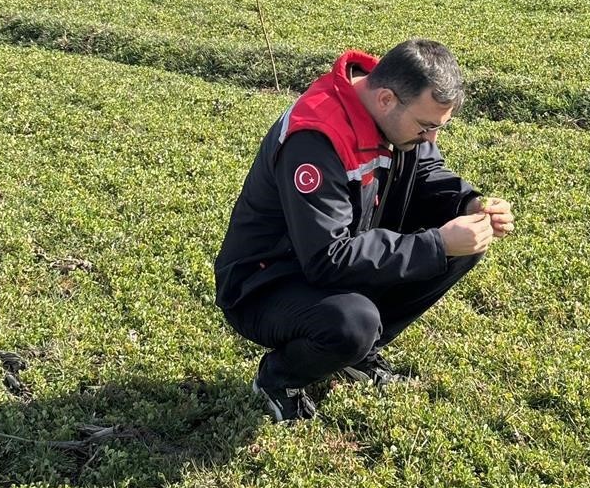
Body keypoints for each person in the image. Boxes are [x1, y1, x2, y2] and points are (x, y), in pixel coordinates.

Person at [214, 39, 514, 422]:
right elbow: (327, 259)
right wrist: (436, 244)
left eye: (438, 128)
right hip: (265, 283)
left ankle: (359, 353)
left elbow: (425, 171)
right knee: (353, 322)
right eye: (426, 127)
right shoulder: (315, 138)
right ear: (386, 99)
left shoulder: (394, 112)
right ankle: (279, 378)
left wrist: (468, 203)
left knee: (463, 243)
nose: (431, 139)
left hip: (333, 256)